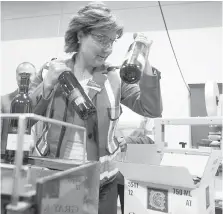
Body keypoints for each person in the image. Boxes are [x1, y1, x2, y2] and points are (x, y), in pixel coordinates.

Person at [29, 2, 162, 214]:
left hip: (102, 183)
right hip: (56, 177)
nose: (107, 48)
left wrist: (144, 60)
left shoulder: (115, 79)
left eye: (111, 41)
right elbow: (26, 120)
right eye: (101, 39)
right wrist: (46, 86)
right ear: (80, 35)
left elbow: (151, 109)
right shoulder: (52, 71)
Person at [1, 62, 36, 156]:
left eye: (28, 74)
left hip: (35, 157)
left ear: (35, 76)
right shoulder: (3, 100)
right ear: (16, 77)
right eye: (21, 74)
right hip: (8, 155)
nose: (25, 77)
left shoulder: (42, 101)